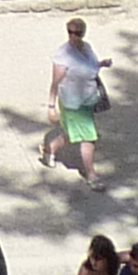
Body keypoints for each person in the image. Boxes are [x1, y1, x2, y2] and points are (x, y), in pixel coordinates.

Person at [40, 16, 109, 182]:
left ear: (83, 33)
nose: (73, 36)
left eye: (77, 32)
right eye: (70, 32)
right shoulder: (63, 55)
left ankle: (50, 149)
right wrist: (51, 106)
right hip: (72, 103)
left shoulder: (88, 48)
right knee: (88, 137)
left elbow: (87, 67)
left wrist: (101, 64)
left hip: (88, 99)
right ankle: (91, 175)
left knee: (72, 133)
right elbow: (55, 82)